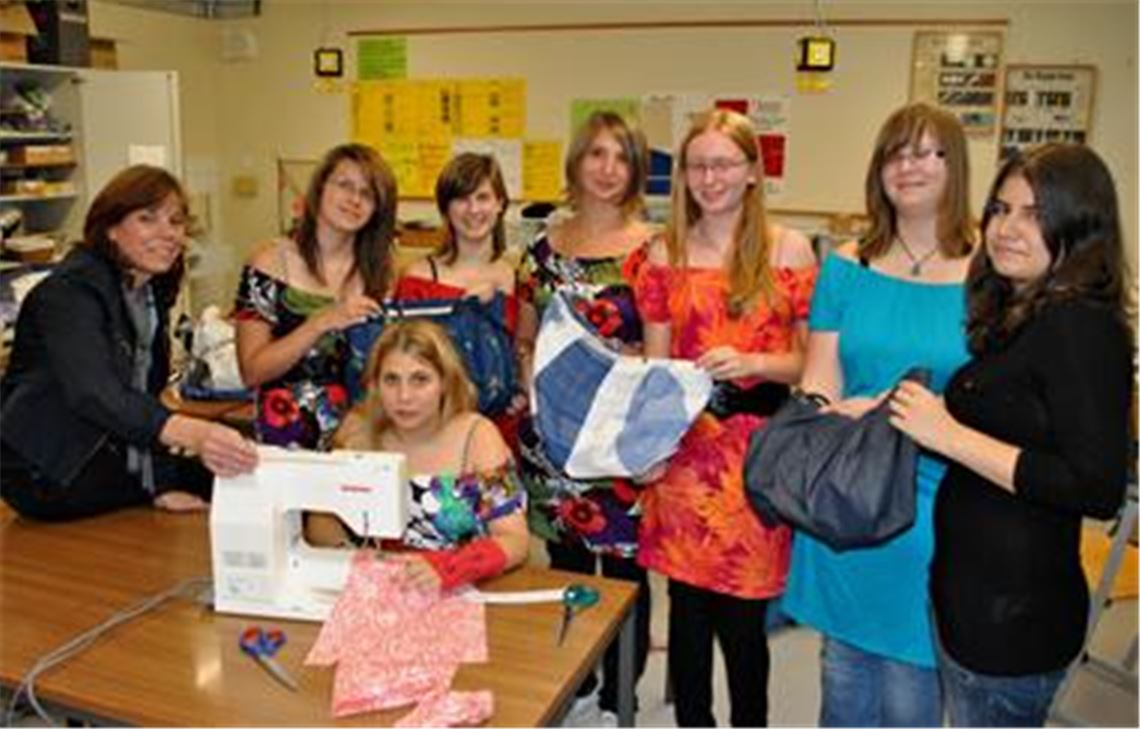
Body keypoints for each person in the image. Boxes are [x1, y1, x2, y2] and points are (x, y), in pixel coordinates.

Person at [888, 143, 1132, 727]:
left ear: (1081, 224)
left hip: (1011, 624)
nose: (1006, 229)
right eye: (1000, 209)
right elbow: (1010, 416)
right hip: (976, 605)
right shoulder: (1025, 311)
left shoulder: (1079, 326)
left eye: (1034, 213)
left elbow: (1096, 486)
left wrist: (947, 435)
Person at [780, 102, 975, 726]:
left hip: (939, 499)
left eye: (926, 151)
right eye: (896, 152)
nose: (909, 166)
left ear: (956, 164)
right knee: (843, 680)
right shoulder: (846, 265)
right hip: (851, 490)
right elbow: (818, 375)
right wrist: (824, 415)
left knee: (911, 692)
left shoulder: (989, 272)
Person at [635, 108, 817, 727]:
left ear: (751, 174)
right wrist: (649, 447)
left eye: (723, 164)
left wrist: (753, 361)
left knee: (744, 625)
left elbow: (812, 368)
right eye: (697, 166)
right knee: (686, 619)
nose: (709, 178)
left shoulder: (787, 249)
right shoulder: (665, 251)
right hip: (685, 458)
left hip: (756, 462)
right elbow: (656, 370)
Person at [0, 165, 258, 520]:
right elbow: (95, 392)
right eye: (147, 219)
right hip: (48, 471)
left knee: (245, 475)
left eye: (176, 221)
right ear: (111, 229)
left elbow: (145, 393)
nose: (168, 233)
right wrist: (194, 434)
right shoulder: (69, 293)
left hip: (109, 452)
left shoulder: (148, 291)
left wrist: (164, 483)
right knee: (236, 482)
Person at [514, 109, 654, 722]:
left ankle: (622, 691)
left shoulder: (656, 251)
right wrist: (538, 398)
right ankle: (574, 680)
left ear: (636, 171)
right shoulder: (540, 251)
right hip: (553, 437)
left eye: (622, 157)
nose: (607, 169)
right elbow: (524, 338)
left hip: (623, 438)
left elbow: (666, 348)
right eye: (597, 154)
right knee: (567, 566)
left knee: (625, 571)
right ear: (577, 162)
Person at [333, 319, 529, 588]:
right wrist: (354, 555)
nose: (404, 396)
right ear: (375, 385)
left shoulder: (478, 437)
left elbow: (515, 540)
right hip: (381, 589)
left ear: (445, 383)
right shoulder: (357, 432)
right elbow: (323, 524)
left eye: (420, 380)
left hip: (468, 589)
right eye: (391, 380)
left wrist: (449, 568)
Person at [234, 143, 397, 450]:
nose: (354, 200)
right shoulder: (269, 262)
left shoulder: (381, 274)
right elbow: (252, 371)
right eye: (345, 185)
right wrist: (319, 323)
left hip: (362, 439)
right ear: (320, 188)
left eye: (368, 193)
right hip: (287, 437)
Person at [393, 152, 521, 433]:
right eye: (462, 199)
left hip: (499, 427)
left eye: (483, 197)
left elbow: (521, 348)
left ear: (500, 204)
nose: (473, 209)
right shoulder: (418, 277)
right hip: (433, 426)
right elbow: (401, 360)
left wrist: (520, 389)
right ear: (446, 209)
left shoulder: (516, 276)